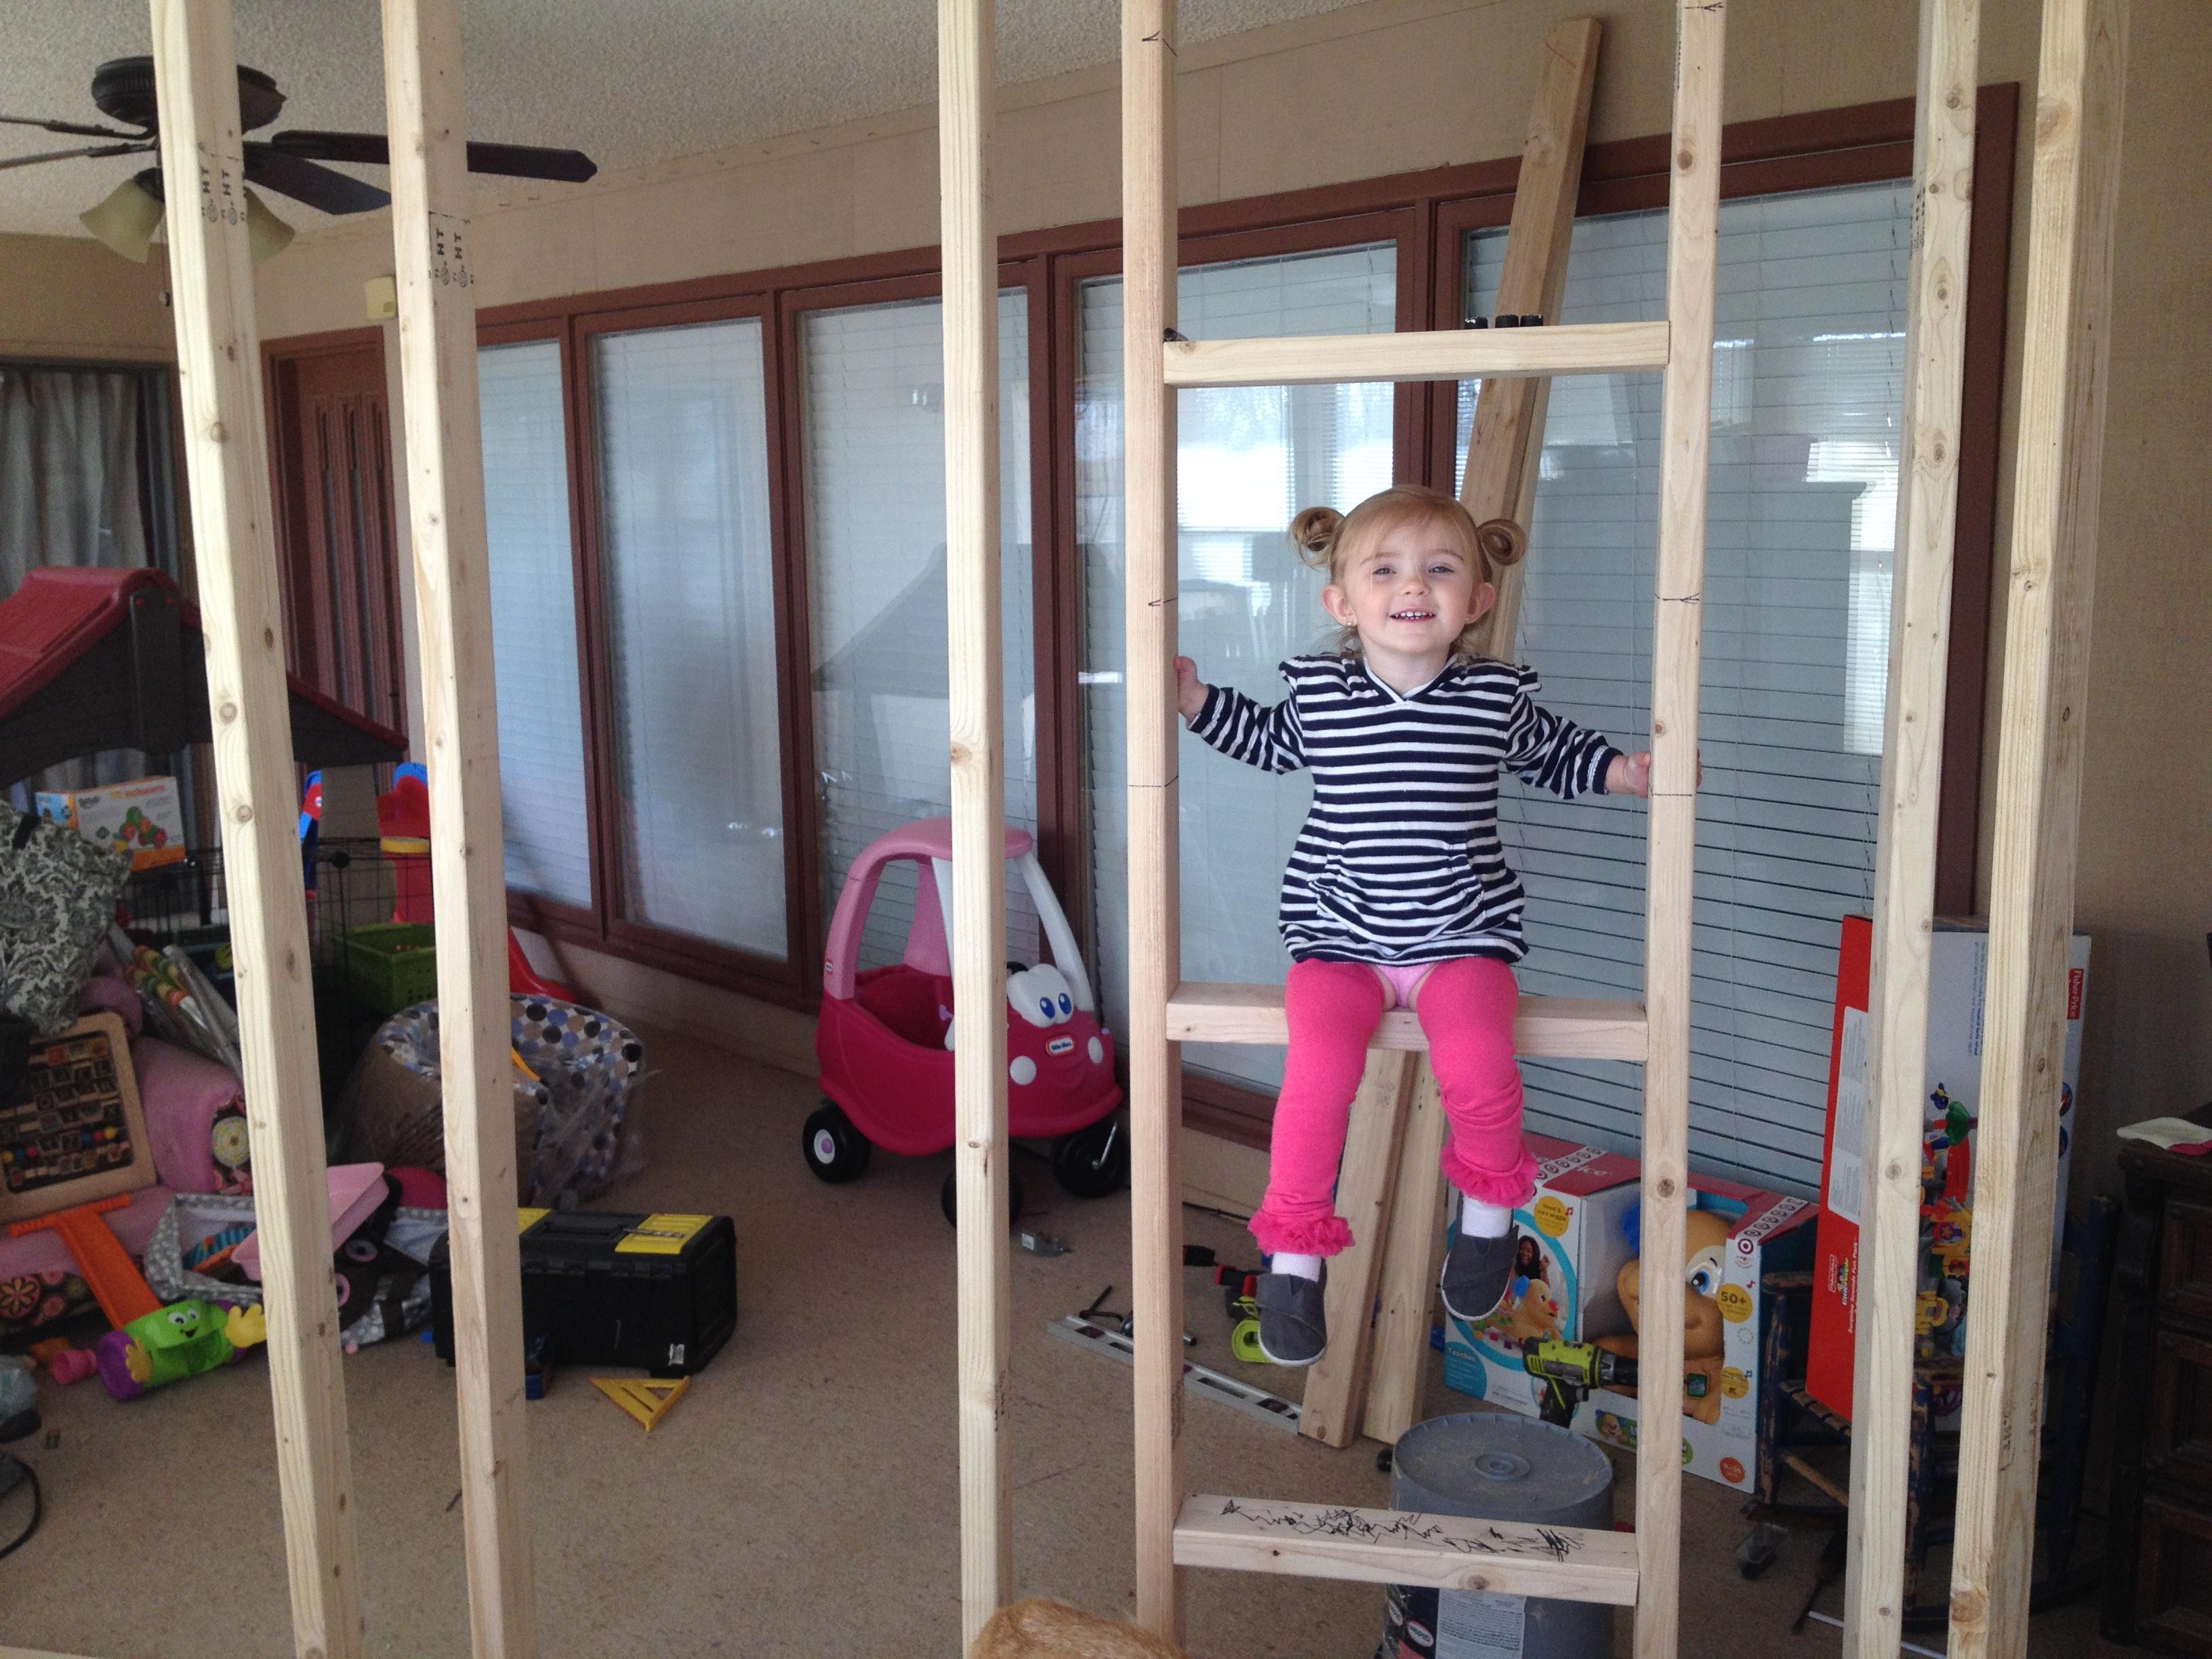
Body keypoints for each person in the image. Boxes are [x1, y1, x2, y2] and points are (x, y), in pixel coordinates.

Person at [1176, 483, 1677, 1366]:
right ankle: (1294, 1256)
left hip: (1461, 935)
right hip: (1339, 935)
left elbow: (1559, 755)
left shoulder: (1492, 695)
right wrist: (1194, 702)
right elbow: (1263, 739)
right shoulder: (1322, 693)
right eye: (1388, 570)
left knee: (1481, 1063)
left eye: (1441, 570)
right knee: (1319, 1078)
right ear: (1343, 602)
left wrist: (1627, 773)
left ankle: (1486, 1219)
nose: (1415, 585)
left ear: (1477, 600)